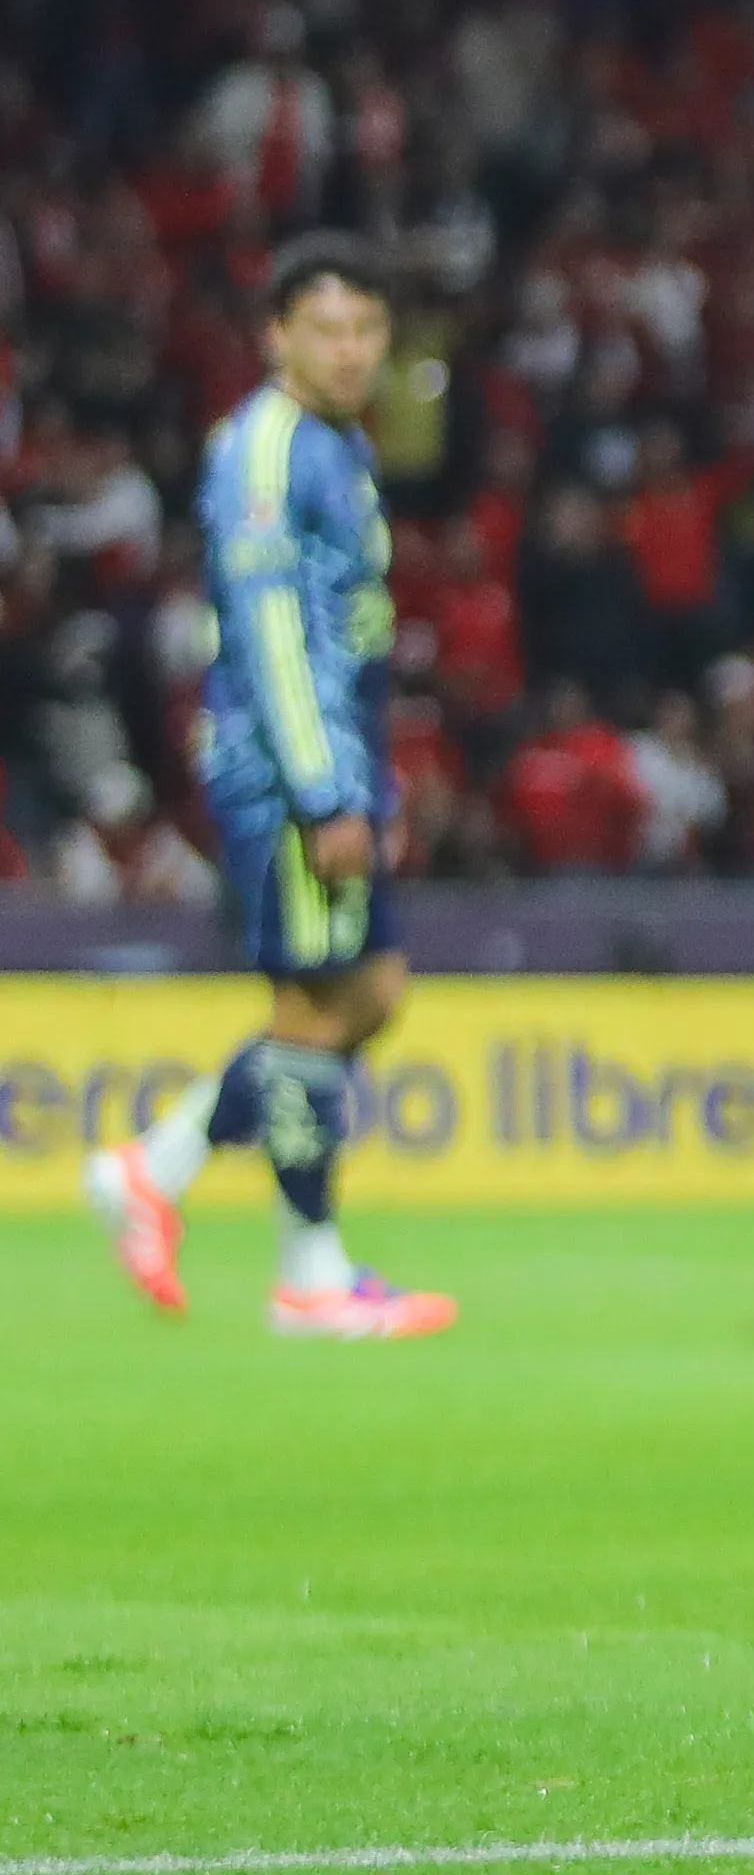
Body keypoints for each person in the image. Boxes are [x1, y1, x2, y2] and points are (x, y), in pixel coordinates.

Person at [83, 234, 456, 1340]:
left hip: (334, 761)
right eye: (326, 328)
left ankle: (156, 1167)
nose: (349, 350)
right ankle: (309, 1273)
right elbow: (273, 632)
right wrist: (325, 789)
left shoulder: (337, 445)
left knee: (367, 993)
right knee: (319, 1004)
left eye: (367, 330)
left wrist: (369, 783)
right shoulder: (268, 449)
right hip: (287, 771)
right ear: (277, 336)